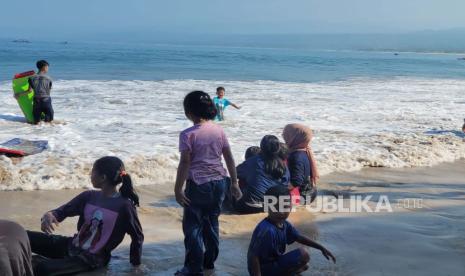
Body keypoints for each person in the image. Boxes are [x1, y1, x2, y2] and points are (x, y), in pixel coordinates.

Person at [27, 156, 143, 276]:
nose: (90, 175)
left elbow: (137, 236)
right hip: (72, 245)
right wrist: (50, 215)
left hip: (92, 259)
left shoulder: (124, 206)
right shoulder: (89, 196)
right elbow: (64, 210)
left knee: (42, 269)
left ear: (103, 178)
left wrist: (135, 266)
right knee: (24, 236)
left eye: (93, 171)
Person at [174, 91, 242, 276]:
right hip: (220, 182)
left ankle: (193, 268)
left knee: (193, 227)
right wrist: (234, 183)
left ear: (189, 112)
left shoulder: (187, 134)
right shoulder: (218, 130)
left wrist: (178, 188)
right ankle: (209, 262)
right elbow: (228, 156)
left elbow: (185, 162)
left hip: (198, 184)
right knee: (212, 223)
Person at [247, 185, 336, 276]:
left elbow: (299, 238)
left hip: (273, 262)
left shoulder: (285, 224)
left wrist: (321, 247)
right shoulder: (267, 230)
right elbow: (253, 256)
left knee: (304, 265)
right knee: (303, 254)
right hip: (262, 269)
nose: (281, 212)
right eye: (276, 208)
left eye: (285, 207)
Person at [233, 135, 289, 214]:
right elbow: (285, 184)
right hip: (272, 206)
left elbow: (235, 173)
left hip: (249, 206)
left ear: (262, 147)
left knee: (227, 181)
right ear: (277, 148)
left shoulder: (254, 160)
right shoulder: (283, 165)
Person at [283, 123, 319, 204]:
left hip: (303, 196)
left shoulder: (296, 156)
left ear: (294, 137)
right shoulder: (304, 150)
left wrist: (279, 190)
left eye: (286, 133)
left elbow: (297, 181)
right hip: (309, 191)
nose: (283, 135)